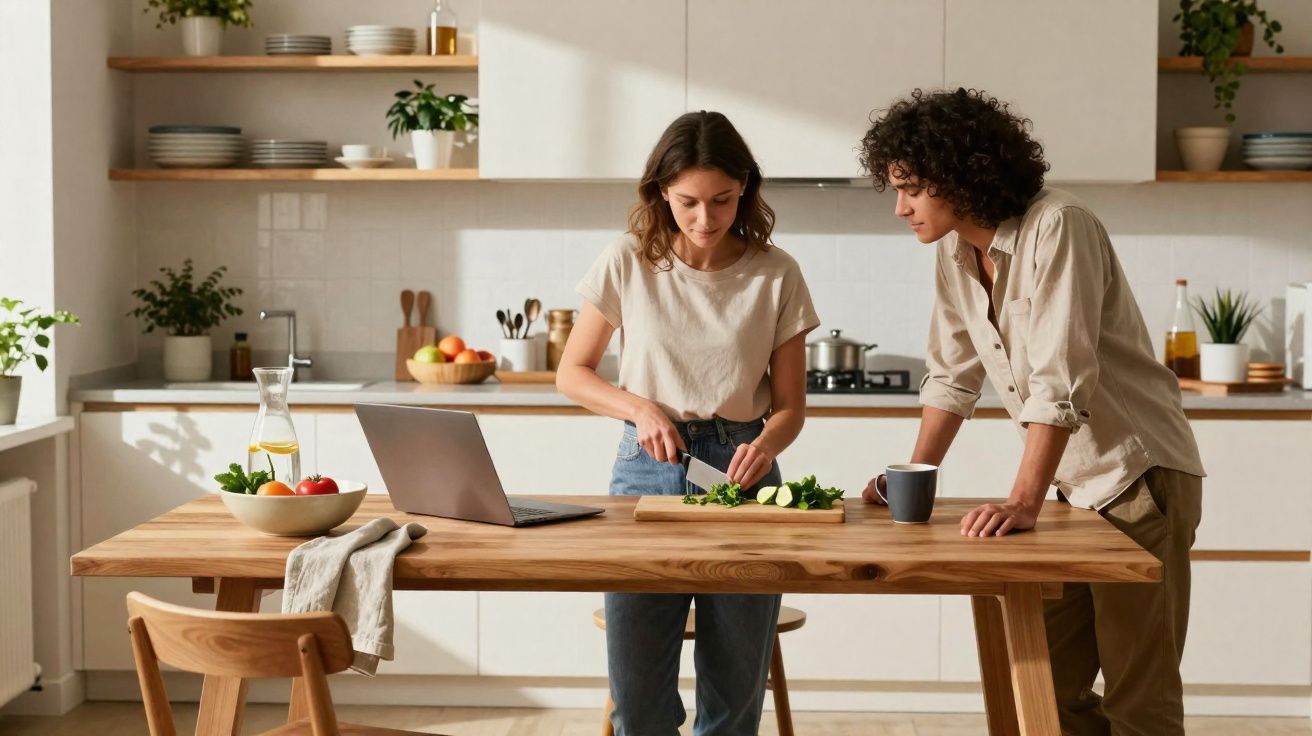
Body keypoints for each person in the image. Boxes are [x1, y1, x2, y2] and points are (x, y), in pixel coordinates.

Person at [857, 88, 1206, 736]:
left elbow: (1059, 380)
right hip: (1072, 490)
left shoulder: (1059, 225)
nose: (901, 206)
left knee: (1139, 696)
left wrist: (1021, 502)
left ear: (960, 174)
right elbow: (951, 376)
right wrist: (909, 473)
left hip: (1137, 477)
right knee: (1049, 687)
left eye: (911, 188)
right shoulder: (955, 255)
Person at [556, 110, 819, 735]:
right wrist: (639, 407)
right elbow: (573, 372)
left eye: (723, 201)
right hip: (646, 469)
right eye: (688, 203)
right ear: (660, 194)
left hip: (743, 474)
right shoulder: (627, 261)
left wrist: (766, 441)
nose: (706, 219)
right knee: (638, 698)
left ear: (746, 190)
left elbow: (790, 408)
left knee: (733, 699)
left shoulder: (776, 273)